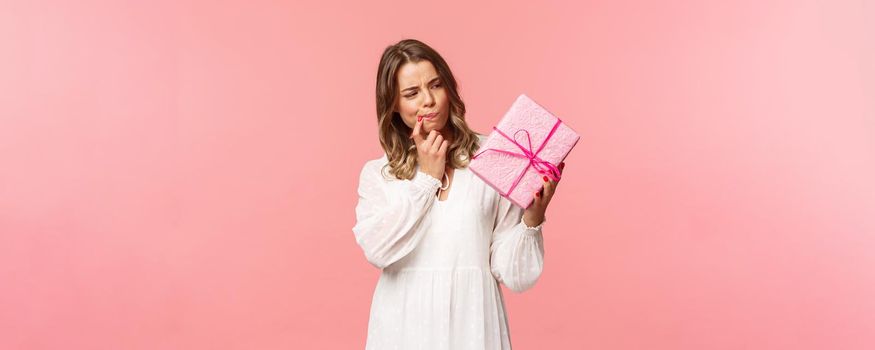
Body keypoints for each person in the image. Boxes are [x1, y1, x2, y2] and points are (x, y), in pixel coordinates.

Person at [352, 38, 565, 350]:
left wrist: (532, 217)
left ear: (448, 88)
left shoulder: (495, 158)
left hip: (474, 325)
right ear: (393, 104)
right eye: (412, 93)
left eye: (435, 85)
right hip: (403, 326)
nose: (428, 100)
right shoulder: (379, 173)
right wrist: (427, 177)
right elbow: (378, 251)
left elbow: (514, 275)